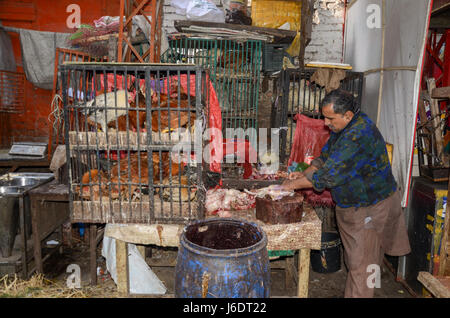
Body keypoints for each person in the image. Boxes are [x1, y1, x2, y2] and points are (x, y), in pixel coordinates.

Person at [281, 89, 411, 298]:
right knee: (364, 262)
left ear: (347, 115)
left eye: (330, 118)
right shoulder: (344, 126)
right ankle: (368, 290)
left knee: (362, 265)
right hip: (358, 203)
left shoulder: (358, 135)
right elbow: (325, 158)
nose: (325, 123)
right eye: (324, 117)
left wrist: (289, 186)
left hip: (370, 205)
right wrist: (305, 172)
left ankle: (363, 293)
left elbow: (327, 177)